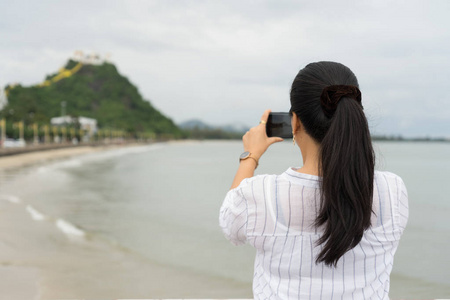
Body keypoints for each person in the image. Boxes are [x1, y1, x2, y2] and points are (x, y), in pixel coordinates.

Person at [219, 61, 409, 299]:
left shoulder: (262, 195)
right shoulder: (393, 190)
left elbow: (230, 223)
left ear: (295, 122)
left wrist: (250, 156)